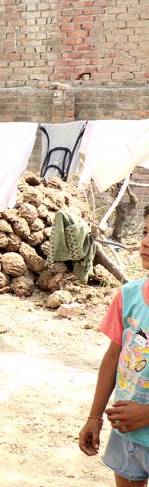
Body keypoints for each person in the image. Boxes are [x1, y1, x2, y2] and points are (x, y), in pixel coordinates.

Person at [79, 205, 149, 487]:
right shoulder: (129, 295)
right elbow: (113, 357)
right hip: (126, 431)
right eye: (146, 232)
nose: (145, 242)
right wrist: (94, 417)